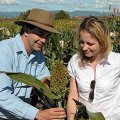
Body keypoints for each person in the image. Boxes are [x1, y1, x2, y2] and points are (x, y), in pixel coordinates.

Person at [0, 8, 66, 120]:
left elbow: (44, 80)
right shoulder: (4, 50)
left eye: (47, 36)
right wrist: (37, 114)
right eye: (40, 34)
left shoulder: (38, 55)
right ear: (26, 31)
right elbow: (2, 94)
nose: (44, 40)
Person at [67, 16, 120, 120]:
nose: (84, 47)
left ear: (102, 42)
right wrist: (70, 118)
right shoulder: (75, 61)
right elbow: (73, 95)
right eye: (82, 42)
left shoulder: (117, 61)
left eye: (90, 44)